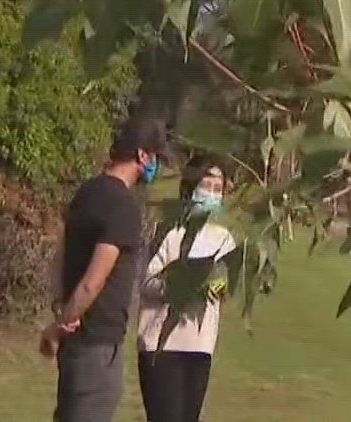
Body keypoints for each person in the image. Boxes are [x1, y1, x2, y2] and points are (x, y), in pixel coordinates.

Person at [42, 117, 166, 422]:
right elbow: (92, 283)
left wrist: (61, 311)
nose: (156, 164)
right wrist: (62, 322)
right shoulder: (122, 206)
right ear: (142, 155)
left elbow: (60, 257)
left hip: (77, 344)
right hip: (97, 344)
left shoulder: (87, 193)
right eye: (155, 156)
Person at [137, 158, 237, 422]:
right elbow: (146, 283)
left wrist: (217, 288)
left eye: (218, 188)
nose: (213, 194)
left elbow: (224, 285)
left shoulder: (224, 238)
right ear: (190, 187)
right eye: (207, 186)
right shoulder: (167, 231)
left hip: (200, 348)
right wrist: (179, 286)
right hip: (161, 347)